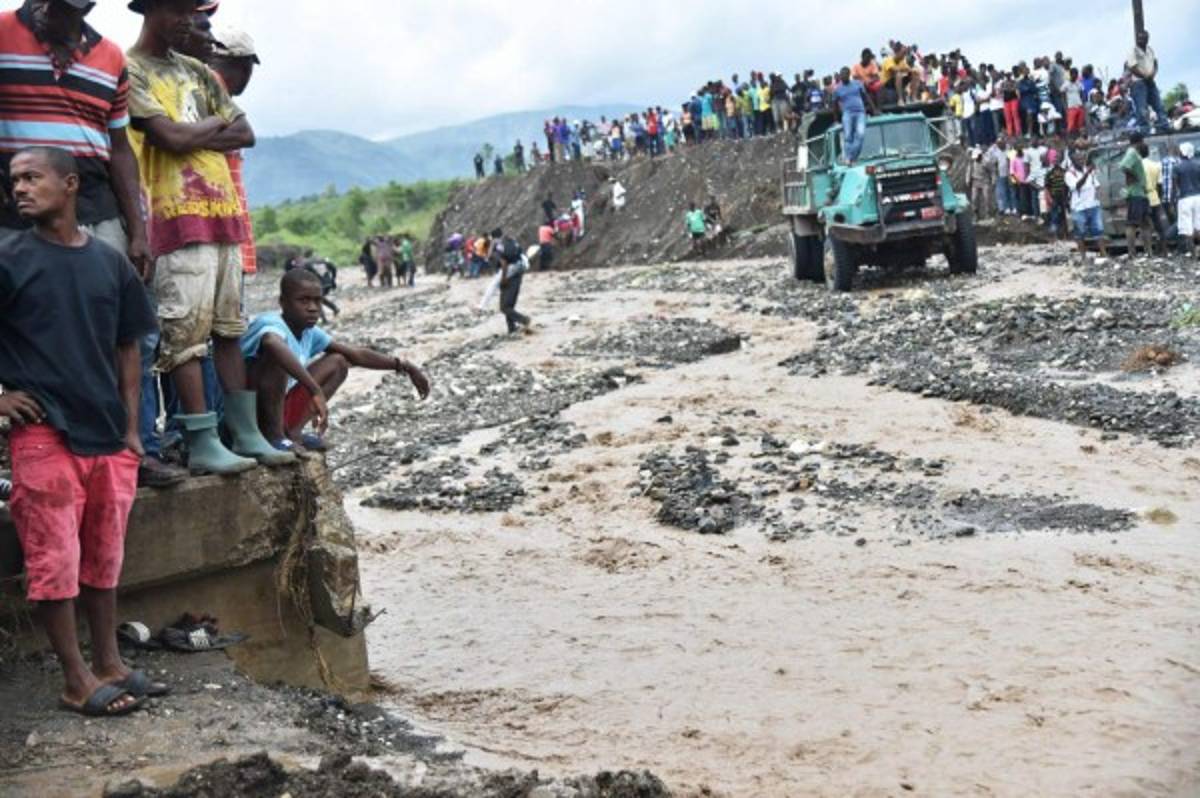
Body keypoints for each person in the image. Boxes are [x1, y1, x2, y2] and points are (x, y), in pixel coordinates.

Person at [0, 146, 164, 717]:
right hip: (44, 433)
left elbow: (129, 346)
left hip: (108, 438)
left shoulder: (109, 262)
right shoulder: (7, 258)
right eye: (14, 180)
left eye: (32, 178)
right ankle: (76, 679)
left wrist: (131, 430)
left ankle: (111, 663)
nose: (19, 188)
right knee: (54, 563)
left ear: (70, 185)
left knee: (102, 558)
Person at [0, 0, 187, 489]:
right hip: (15, 205)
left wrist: (138, 229)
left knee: (128, 330)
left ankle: (132, 444)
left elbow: (120, 147)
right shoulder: (2, 32)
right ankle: (23, 453)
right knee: (25, 326)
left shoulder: (108, 56)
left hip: (95, 202)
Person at [126, 0, 292, 475]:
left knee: (227, 329)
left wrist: (192, 131)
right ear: (152, 12)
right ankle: (199, 438)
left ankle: (244, 432)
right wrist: (210, 127)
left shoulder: (198, 71)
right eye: (179, 11)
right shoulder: (131, 68)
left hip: (223, 214)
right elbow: (167, 140)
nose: (191, 22)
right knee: (185, 334)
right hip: (175, 213)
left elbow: (246, 132)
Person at [241, 269, 430, 451]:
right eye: (303, 301)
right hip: (248, 412)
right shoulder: (270, 323)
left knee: (338, 362)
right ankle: (274, 437)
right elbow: (271, 342)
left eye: (317, 301)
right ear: (283, 302)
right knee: (276, 358)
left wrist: (404, 366)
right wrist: (314, 389)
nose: (313, 308)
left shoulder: (308, 332)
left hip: (277, 407)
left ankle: (293, 433)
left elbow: (354, 354)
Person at [1127, 30, 1169, 135]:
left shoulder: (1150, 50)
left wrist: (1153, 74)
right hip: (1139, 82)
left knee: (1159, 105)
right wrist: (1145, 76)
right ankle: (1145, 131)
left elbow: (1155, 63)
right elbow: (1132, 67)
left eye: (1143, 38)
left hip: (1150, 81)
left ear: (1147, 39)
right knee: (1142, 109)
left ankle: (1164, 127)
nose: (1141, 40)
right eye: (1139, 38)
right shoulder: (1133, 51)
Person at [1066, 150, 1107, 258]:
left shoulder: (1089, 170)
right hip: (1079, 207)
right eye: (1078, 159)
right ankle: (1083, 257)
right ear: (1073, 161)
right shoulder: (1069, 174)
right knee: (1080, 233)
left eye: (1082, 159)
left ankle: (1104, 254)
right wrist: (1087, 173)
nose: (1081, 161)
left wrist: (1099, 196)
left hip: (1093, 205)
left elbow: (1097, 185)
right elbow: (1077, 185)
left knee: (1099, 231)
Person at [492, 230, 531, 334]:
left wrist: (503, 278)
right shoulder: (513, 243)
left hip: (507, 277)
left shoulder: (499, 246)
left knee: (504, 307)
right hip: (517, 275)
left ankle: (524, 320)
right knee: (509, 305)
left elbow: (503, 263)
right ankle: (512, 328)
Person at [1121, 133, 1152, 256]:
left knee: (1146, 223)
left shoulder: (1135, 153)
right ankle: (1131, 252)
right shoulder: (1132, 152)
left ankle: (1149, 251)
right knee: (1132, 223)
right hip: (1135, 193)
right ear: (1139, 141)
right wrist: (1134, 177)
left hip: (1141, 192)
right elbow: (1123, 166)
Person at [833, 66, 873, 164]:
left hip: (860, 112)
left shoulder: (858, 84)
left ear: (849, 75)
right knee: (848, 137)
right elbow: (834, 105)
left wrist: (873, 108)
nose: (842, 77)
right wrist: (836, 119)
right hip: (847, 113)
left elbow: (866, 96)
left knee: (860, 134)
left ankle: (851, 157)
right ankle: (849, 159)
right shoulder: (838, 89)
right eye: (841, 75)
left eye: (844, 75)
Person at [1141, 142, 1168, 256]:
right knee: (1159, 226)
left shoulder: (1137, 166)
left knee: (1146, 226)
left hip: (1142, 198)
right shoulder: (1156, 165)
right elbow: (1160, 184)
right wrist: (1159, 198)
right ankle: (1164, 250)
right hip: (1154, 197)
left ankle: (1149, 252)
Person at [1174, 142, 1200, 259]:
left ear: (1182, 152)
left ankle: (1193, 254)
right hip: (1198, 197)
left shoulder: (1178, 167)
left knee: (1187, 228)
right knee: (1198, 226)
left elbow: (1176, 184)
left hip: (1185, 198)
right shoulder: (1198, 164)